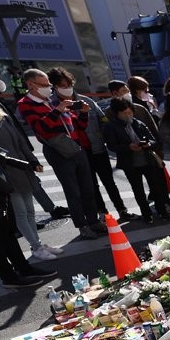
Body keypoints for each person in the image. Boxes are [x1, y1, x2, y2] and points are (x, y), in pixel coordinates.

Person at [17, 68, 104, 240]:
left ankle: (93, 221)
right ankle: (82, 226)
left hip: (75, 146)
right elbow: (41, 128)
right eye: (44, 85)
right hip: (57, 150)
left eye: (49, 85)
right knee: (73, 191)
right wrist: (57, 110)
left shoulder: (52, 100)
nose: (48, 88)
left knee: (88, 188)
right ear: (30, 85)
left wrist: (84, 114)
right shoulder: (25, 103)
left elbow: (77, 125)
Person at [48, 67, 134, 222]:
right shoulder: (52, 105)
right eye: (62, 85)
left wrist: (109, 138)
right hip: (76, 152)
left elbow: (103, 121)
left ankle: (122, 209)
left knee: (109, 182)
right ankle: (102, 214)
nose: (67, 88)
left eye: (69, 84)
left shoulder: (86, 101)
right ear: (54, 86)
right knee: (90, 186)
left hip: (97, 149)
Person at [0, 103, 63, 260]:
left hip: (22, 168)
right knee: (21, 213)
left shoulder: (3, 118)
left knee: (30, 210)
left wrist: (32, 160)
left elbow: (21, 141)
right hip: (6, 173)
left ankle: (38, 244)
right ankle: (36, 246)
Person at [0, 150, 57, 288]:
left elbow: (0, 157)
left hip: (0, 196)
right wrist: (7, 187)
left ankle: (24, 269)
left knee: (8, 234)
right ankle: (9, 277)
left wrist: (25, 164)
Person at [103, 97, 169, 223]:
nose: (128, 115)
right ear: (117, 113)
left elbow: (153, 139)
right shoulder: (111, 127)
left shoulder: (138, 123)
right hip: (130, 163)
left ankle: (162, 211)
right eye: (125, 113)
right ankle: (147, 214)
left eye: (130, 112)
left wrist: (148, 144)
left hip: (147, 159)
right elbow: (111, 145)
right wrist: (128, 147)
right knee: (138, 190)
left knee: (156, 188)